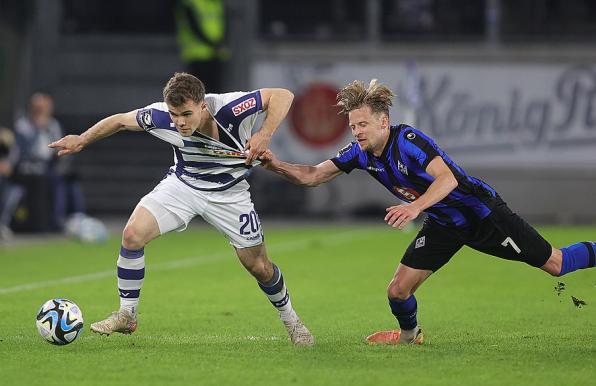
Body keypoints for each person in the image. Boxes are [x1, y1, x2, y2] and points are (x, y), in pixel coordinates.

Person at [259, 79, 596, 345]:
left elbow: (447, 179)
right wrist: (274, 164)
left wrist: (415, 207)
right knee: (398, 290)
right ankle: (409, 337)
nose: (357, 132)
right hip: (445, 224)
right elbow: (313, 175)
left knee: (557, 264)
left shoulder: (408, 140)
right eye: (353, 126)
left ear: (383, 122)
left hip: (482, 214)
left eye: (363, 125)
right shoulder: (359, 153)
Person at [48, 72, 314, 346]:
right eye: (175, 114)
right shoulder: (161, 116)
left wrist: (264, 134)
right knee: (132, 235)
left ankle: (292, 321)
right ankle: (127, 314)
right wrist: (82, 139)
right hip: (183, 186)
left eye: (187, 114)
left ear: (203, 106)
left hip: (230, 193)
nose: (180, 122)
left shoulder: (231, 108)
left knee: (259, 266)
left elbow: (283, 94)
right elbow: (119, 121)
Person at [14, 92, 85, 232]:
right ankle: (53, 220)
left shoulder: (53, 125)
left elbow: (58, 146)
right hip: (28, 168)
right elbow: (25, 151)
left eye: (44, 107)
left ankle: (75, 218)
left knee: (70, 181)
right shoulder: (23, 125)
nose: (41, 111)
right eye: (38, 108)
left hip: (50, 166)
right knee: (52, 181)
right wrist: (37, 128)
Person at [175, 0, 229, 93]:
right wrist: (214, 45)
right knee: (197, 92)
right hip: (197, 54)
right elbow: (193, 26)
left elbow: (224, 24)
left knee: (214, 92)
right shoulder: (190, 3)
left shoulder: (215, 3)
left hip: (215, 54)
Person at [0, 127, 24, 241]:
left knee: (14, 193)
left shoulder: (12, 148)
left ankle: (2, 225)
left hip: (9, 183)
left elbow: (8, 168)